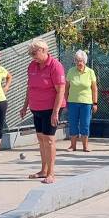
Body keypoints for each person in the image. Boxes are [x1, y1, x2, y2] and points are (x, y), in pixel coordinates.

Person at [19, 38, 66, 184]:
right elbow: (30, 87)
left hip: (51, 108)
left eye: (34, 53)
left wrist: (55, 112)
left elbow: (61, 90)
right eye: (30, 53)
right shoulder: (32, 66)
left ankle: (51, 174)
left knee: (49, 140)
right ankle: (43, 170)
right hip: (36, 107)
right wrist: (25, 106)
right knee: (41, 139)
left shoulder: (55, 66)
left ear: (44, 50)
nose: (32, 56)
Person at [65, 50, 98, 153]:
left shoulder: (90, 72)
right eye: (77, 60)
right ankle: (72, 146)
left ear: (85, 61)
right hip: (72, 102)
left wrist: (95, 103)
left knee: (85, 124)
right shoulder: (71, 71)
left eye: (81, 61)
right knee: (73, 124)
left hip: (86, 103)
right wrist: (65, 102)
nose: (79, 63)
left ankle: (85, 146)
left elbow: (94, 89)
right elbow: (66, 88)